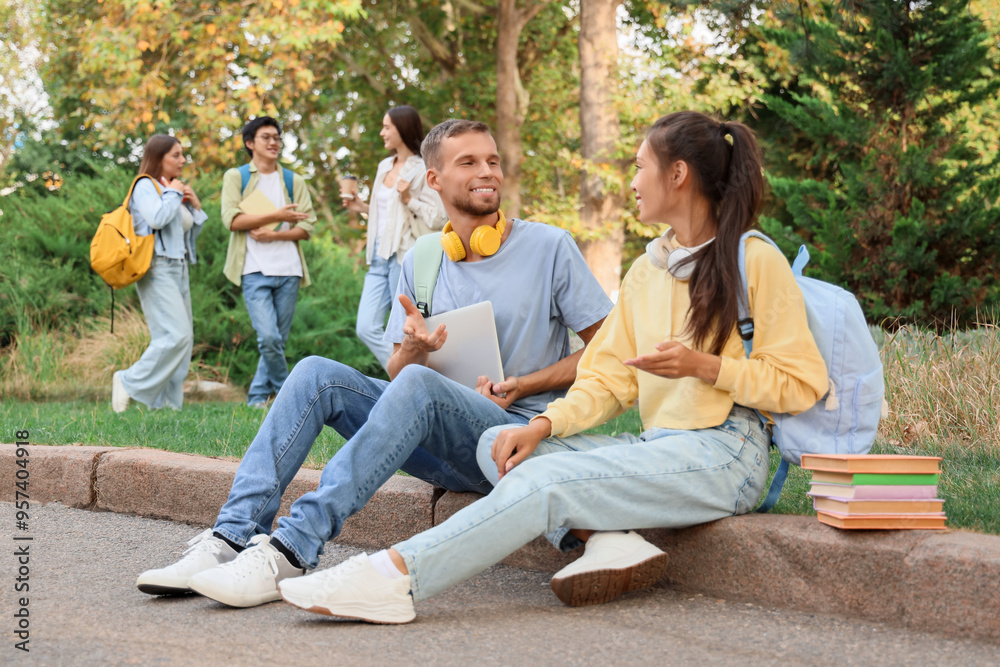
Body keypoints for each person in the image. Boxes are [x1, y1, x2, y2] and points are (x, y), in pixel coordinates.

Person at [276, 111, 831, 624]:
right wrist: (541, 425)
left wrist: (708, 367)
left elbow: (803, 383)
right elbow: (609, 378)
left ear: (678, 174)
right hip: (660, 445)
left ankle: (394, 577)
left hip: (728, 451)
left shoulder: (752, 259)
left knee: (543, 480)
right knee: (499, 442)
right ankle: (610, 540)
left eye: (640, 168)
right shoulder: (647, 270)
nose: (632, 182)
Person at [135, 119, 613, 608]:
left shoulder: (549, 246)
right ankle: (230, 538)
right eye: (468, 162)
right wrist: (414, 348)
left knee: (421, 386)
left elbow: (608, 350)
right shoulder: (425, 258)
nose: (486, 171)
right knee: (315, 373)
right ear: (434, 179)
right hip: (437, 438)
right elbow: (399, 378)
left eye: (492, 160)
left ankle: (292, 549)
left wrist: (526, 383)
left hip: (511, 438)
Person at [219, 116, 316, 408]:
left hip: (288, 271)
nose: (274, 142)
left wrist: (275, 236)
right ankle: (289, 397)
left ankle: (258, 398)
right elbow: (232, 220)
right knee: (270, 338)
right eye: (266, 137)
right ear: (250, 144)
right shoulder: (237, 177)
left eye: (277, 137)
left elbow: (307, 227)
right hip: (253, 269)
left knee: (275, 342)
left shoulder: (292, 180)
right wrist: (278, 216)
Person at [344, 105, 447, 371]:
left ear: (403, 129)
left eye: (387, 127)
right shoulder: (383, 167)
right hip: (379, 256)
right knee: (365, 327)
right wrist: (361, 207)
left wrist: (409, 199)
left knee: (404, 333)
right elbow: (388, 215)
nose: (382, 132)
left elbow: (438, 217)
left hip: (402, 256)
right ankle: (404, 375)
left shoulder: (423, 168)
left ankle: (413, 378)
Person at [111, 135, 207, 413]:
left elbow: (186, 231)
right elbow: (156, 219)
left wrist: (195, 207)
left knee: (183, 338)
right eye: (175, 155)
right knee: (174, 336)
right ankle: (128, 381)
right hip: (156, 268)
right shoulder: (145, 185)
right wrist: (174, 194)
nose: (182, 160)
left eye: (182, 154)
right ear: (159, 157)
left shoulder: (169, 188)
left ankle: (167, 406)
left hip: (179, 267)